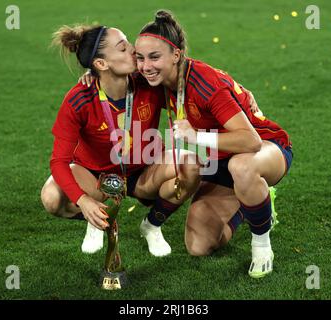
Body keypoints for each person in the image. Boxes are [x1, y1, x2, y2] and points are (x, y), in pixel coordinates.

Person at [134, 10, 293, 278]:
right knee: (199, 245)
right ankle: (254, 200)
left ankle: (262, 244)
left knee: (242, 167)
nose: (145, 66)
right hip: (221, 160)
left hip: (265, 147)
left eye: (154, 57)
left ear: (176, 55)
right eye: (140, 57)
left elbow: (250, 141)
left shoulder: (205, 82)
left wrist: (197, 137)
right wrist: (90, 75)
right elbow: (113, 72)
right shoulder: (157, 79)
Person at [41, 23, 201, 257]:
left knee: (191, 165)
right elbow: (59, 162)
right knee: (51, 197)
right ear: (101, 64)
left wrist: (235, 90)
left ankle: (152, 226)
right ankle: (95, 218)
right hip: (94, 176)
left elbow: (185, 70)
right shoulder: (79, 99)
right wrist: (83, 201)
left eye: (128, 43)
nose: (134, 49)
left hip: (143, 170)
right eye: (123, 48)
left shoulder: (148, 80)